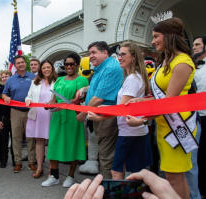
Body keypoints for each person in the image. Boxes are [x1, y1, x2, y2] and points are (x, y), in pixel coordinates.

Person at [126, 17, 197, 199]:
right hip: (164, 124)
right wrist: (141, 102)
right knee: (171, 175)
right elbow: (160, 97)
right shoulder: (165, 61)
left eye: (156, 36)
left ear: (169, 36)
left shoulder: (182, 62)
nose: (152, 41)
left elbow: (168, 103)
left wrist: (141, 119)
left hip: (178, 125)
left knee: (175, 177)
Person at [87, 42, 153, 179]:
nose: (120, 57)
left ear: (133, 57)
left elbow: (121, 109)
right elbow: (122, 106)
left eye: (123, 54)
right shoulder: (131, 77)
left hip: (132, 133)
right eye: (119, 54)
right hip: (129, 131)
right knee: (126, 171)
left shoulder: (133, 79)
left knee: (120, 171)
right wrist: (103, 109)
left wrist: (99, 117)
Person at [76, 41, 123, 179]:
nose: (90, 56)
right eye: (89, 53)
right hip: (99, 116)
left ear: (105, 53)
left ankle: (108, 188)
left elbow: (99, 98)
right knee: (104, 154)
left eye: (94, 52)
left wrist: (83, 113)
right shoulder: (101, 68)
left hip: (106, 117)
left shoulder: (110, 68)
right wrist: (84, 89)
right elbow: (95, 88)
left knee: (106, 156)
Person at [41, 53, 89, 187]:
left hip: (73, 116)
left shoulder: (82, 80)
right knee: (54, 145)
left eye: (71, 64)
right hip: (57, 117)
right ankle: (54, 176)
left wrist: (66, 104)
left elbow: (79, 99)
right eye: (66, 64)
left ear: (77, 65)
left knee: (72, 144)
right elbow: (53, 99)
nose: (68, 66)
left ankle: (70, 176)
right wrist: (48, 105)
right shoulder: (59, 80)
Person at [2, 55, 36, 173]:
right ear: (15, 65)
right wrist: (5, 97)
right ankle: (18, 162)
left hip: (31, 111)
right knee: (16, 138)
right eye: (18, 63)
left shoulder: (33, 77)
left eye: (22, 62)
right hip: (15, 111)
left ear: (25, 63)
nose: (20, 64)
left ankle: (32, 162)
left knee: (30, 138)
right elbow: (4, 93)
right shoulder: (10, 79)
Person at [25, 60, 57, 178]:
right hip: (37, 115)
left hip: (52, 115)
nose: (46, 70)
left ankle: (52, 169)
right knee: (39, 142)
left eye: (48, 67)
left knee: (52, 142)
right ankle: (39, 167)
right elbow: (28, 96)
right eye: (44, 68)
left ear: (52, 68)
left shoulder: (57, 81)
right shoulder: (35, 82)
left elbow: (59, 98)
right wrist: (27, 100)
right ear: (41, 70)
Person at [192, 36, 206, 198]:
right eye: (193, 45)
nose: (194, 47)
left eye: (198, 45)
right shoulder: (193, 68)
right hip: (195, 117)